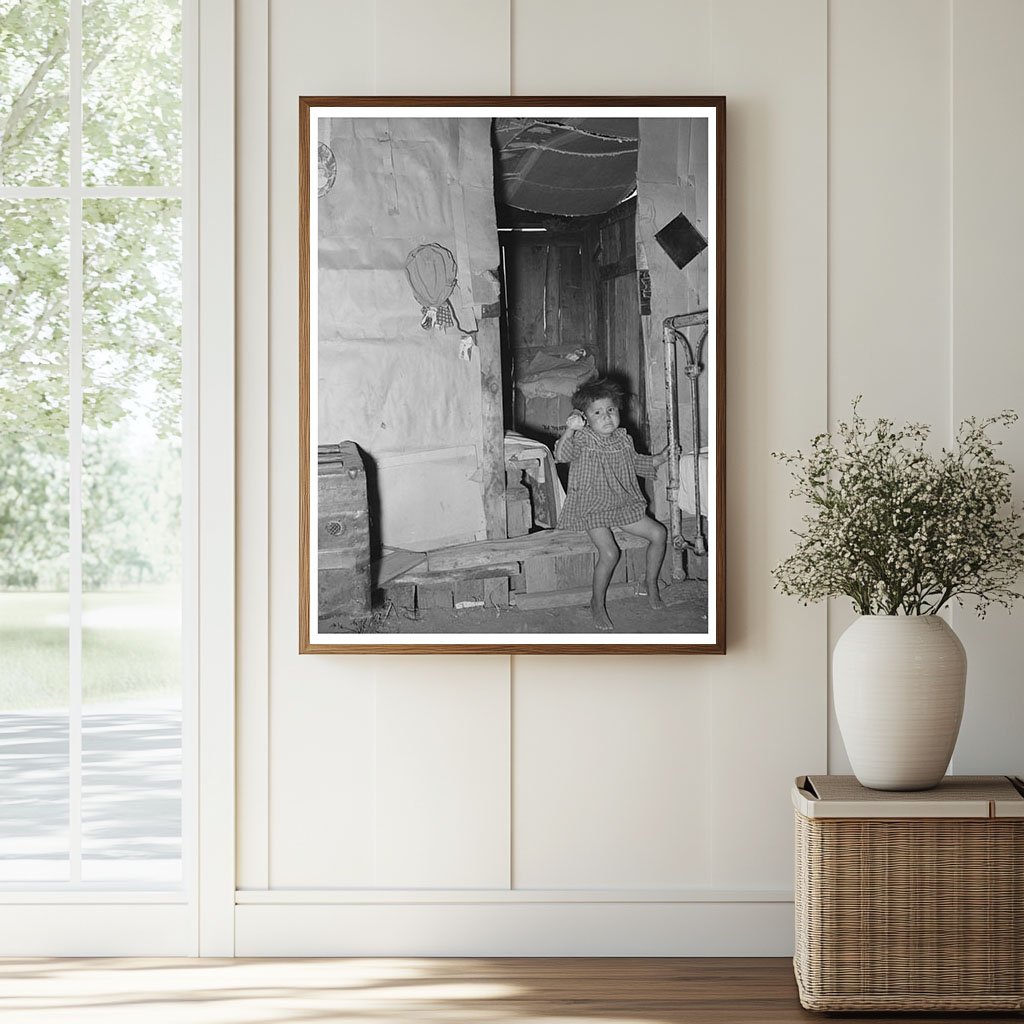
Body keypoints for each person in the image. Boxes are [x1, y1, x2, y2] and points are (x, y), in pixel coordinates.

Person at [553, 378, 671, 631]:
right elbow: (561, 455)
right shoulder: (583, 438)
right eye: (597, 413)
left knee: (659, 533)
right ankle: (597, 602)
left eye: (611, 410)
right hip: (592, 504)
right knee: (609, 553)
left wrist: (660, 458)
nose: (606, 417)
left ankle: (649, 583)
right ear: (584, 417)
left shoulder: (623, 439)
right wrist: (570, 430)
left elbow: (636, 463)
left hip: (621, 502)